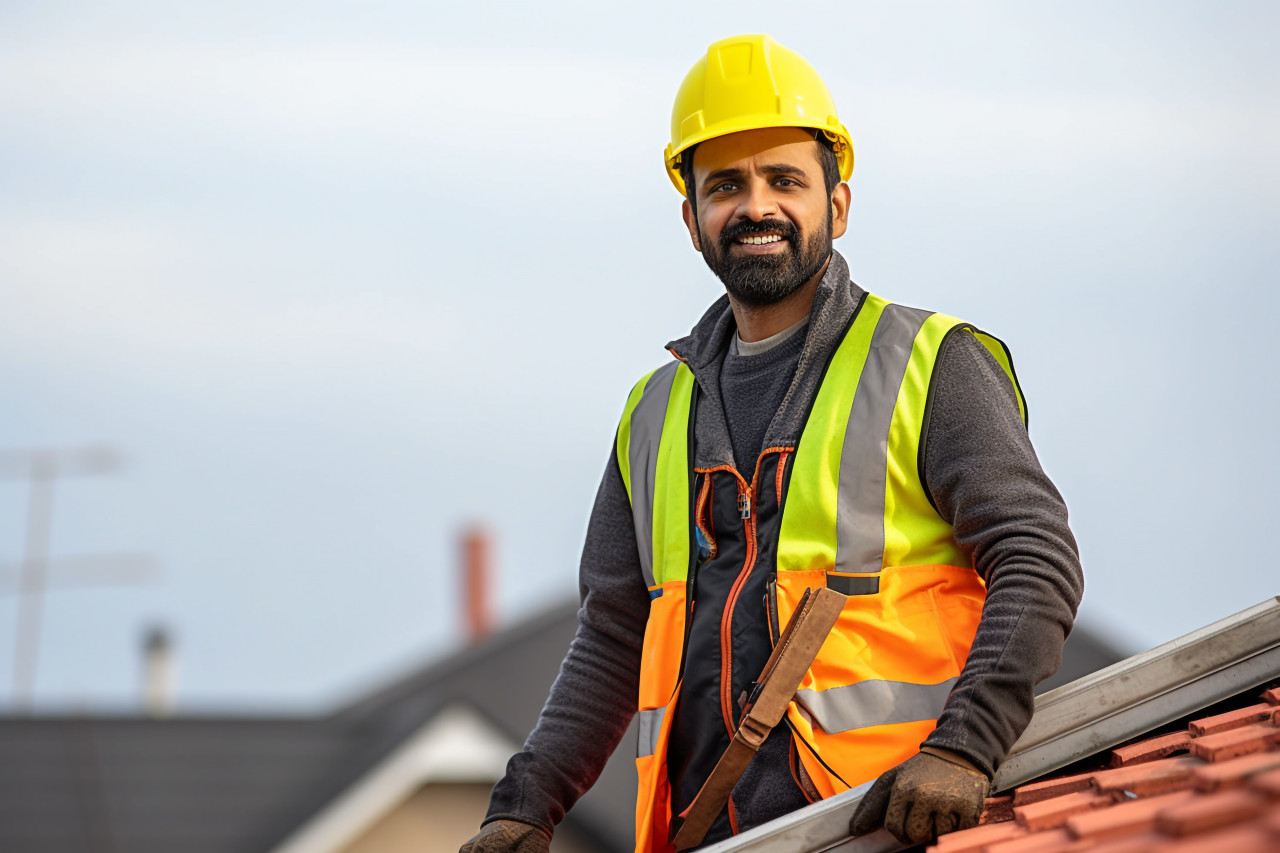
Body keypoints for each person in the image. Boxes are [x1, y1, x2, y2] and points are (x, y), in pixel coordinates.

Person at [461, 34, 1083, 853]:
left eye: (785, 179)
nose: (757, 206)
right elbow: (614, 630)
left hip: (894, 822)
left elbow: (1037, 556)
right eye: (726, 186)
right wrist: (525, 803)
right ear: (692, 221)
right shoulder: (653, 413)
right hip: (715, 835)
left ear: (840, 203)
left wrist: (964, 745)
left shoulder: (932, 364)